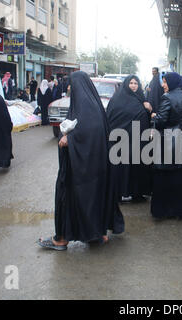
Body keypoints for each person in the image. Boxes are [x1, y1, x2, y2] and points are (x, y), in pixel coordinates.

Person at [37, 71, 124, 251]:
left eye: (71, 85)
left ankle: (61, 239)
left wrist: (70, 139)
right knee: (92, 198)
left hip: (81, 169)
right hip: (94, 167)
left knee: (68, 197)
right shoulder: (93, 104)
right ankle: (96, 234)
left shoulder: (85, 105)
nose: (69, 88)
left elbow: (90, 130)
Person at [150, 72, 182, 219]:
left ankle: (165, 211)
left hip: (170, 142)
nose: (163, 85)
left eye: (165, 82)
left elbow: (162, 120)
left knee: (167, 175)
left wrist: (154, 116)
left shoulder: (167, 97)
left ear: (171, 82)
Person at [106, 75, 153, 203]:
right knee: (119, 166)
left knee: (137, 166)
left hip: (137, 140)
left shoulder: (141, 99)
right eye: (131, 83)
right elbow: (110, 119)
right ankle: (118, 194)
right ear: (126, 84)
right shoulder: (116, 99)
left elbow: (145, 118)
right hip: (119, 140)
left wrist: (148, 109)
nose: (133, 85)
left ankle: (137, 193)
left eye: (136, 83)